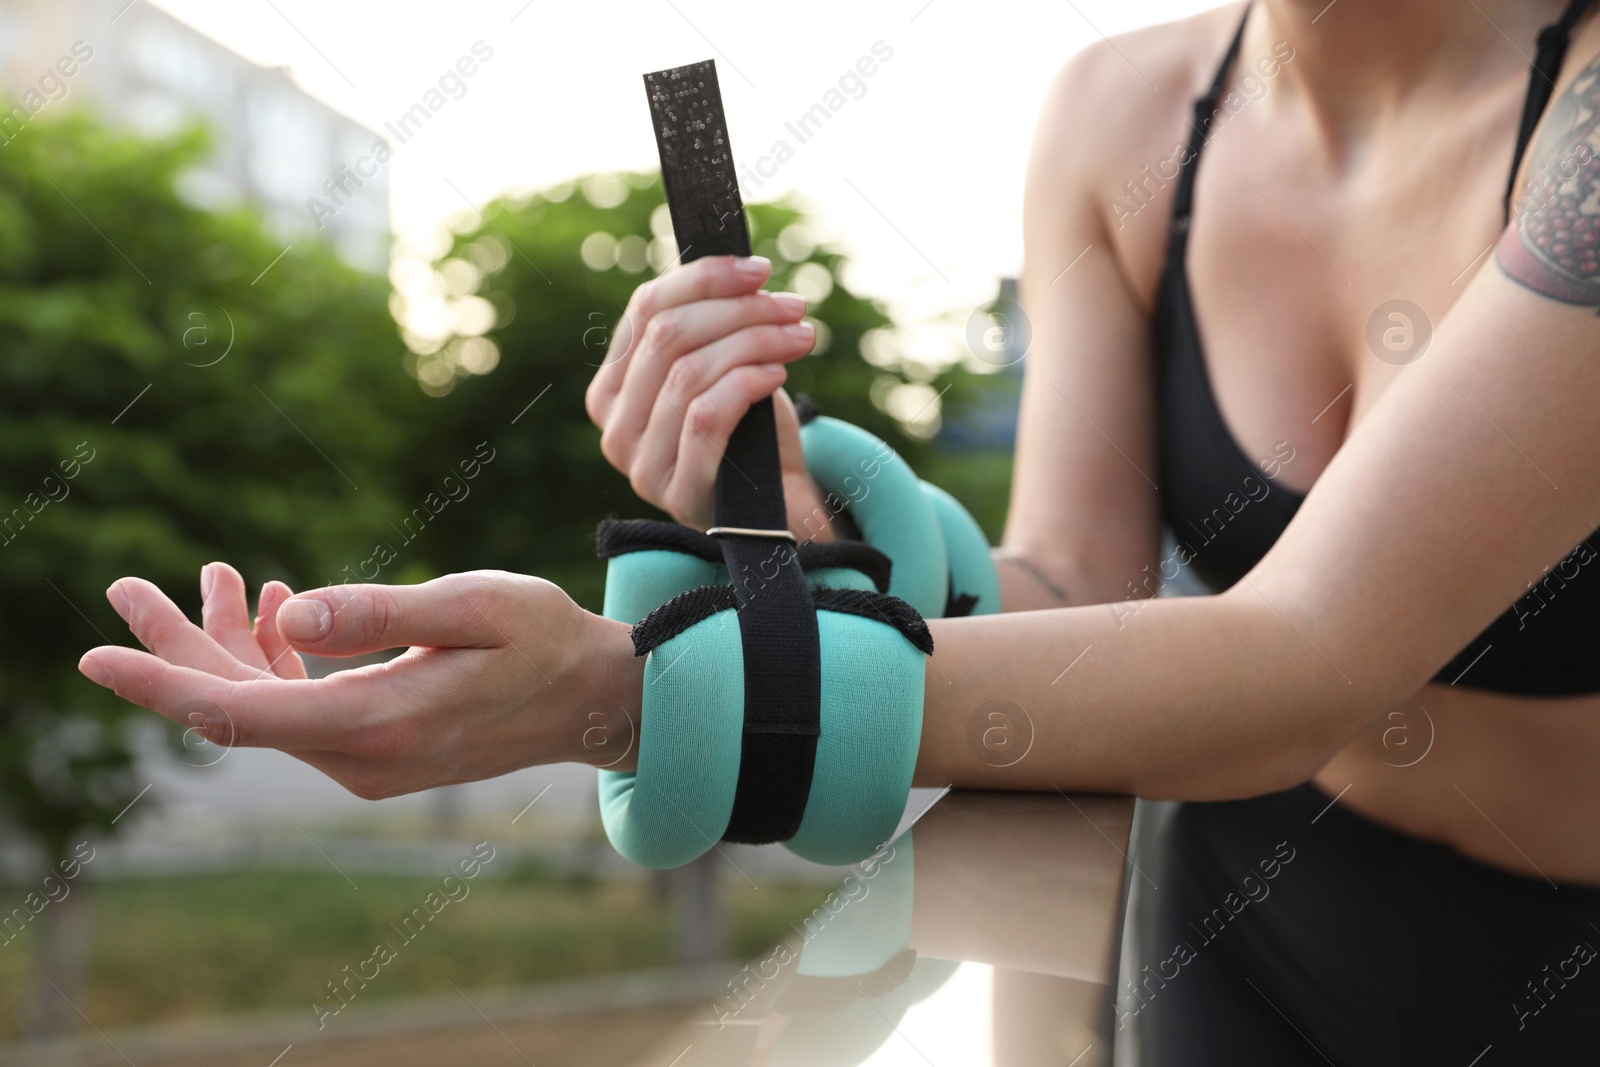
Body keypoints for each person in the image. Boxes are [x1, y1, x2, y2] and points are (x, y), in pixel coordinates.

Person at [80, 0, 1600, 1058]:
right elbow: (1069, 589)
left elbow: (1315, 655)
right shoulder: (1125, 116)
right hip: (1245, 922)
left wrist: (629, 693)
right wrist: (812, 533)